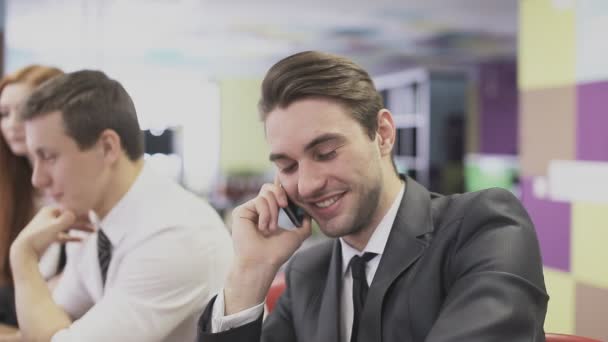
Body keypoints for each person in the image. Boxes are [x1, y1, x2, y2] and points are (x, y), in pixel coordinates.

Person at [196, 51, 548, 341]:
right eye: (288, 166)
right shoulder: (309, 273)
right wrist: (250, 272)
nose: (306, 185)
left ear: (382, 134)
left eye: (326, 152)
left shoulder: (484, 227)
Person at [8, 70, 233, 341]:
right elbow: (46, 322)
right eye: (35, 159)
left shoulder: (175, 235)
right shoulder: (95, 217)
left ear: (107, 147)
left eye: (49, 157)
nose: (37, 179)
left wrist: (23, 256)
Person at [0, 65, 65, 327]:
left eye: (25, 111)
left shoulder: (79, 192)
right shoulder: (9, 188)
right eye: (4, 114)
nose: (12, 124)